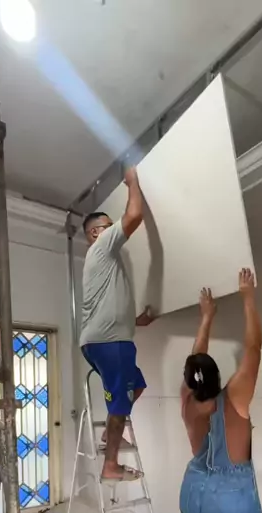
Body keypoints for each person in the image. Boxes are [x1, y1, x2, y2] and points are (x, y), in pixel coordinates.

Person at [180, 268, 262, 513]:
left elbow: (194, 361)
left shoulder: (187, 399)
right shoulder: (235, 397)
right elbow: (254, 349)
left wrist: (206, 318)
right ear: (218, 375)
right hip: (230, 494)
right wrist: (248, 298)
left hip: (195, 486)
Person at [80, 166, 153, 481]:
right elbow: (134, 215)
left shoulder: (107, 262)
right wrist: (133, 181)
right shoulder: (101, 247)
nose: (114, 230)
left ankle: (110, 434)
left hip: (107, 341)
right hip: (109, 343)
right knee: (120, 402)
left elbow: (109, 306)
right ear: (96, 233)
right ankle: (110, 465)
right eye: (109, 226)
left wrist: (138, 321)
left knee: (137, 385)